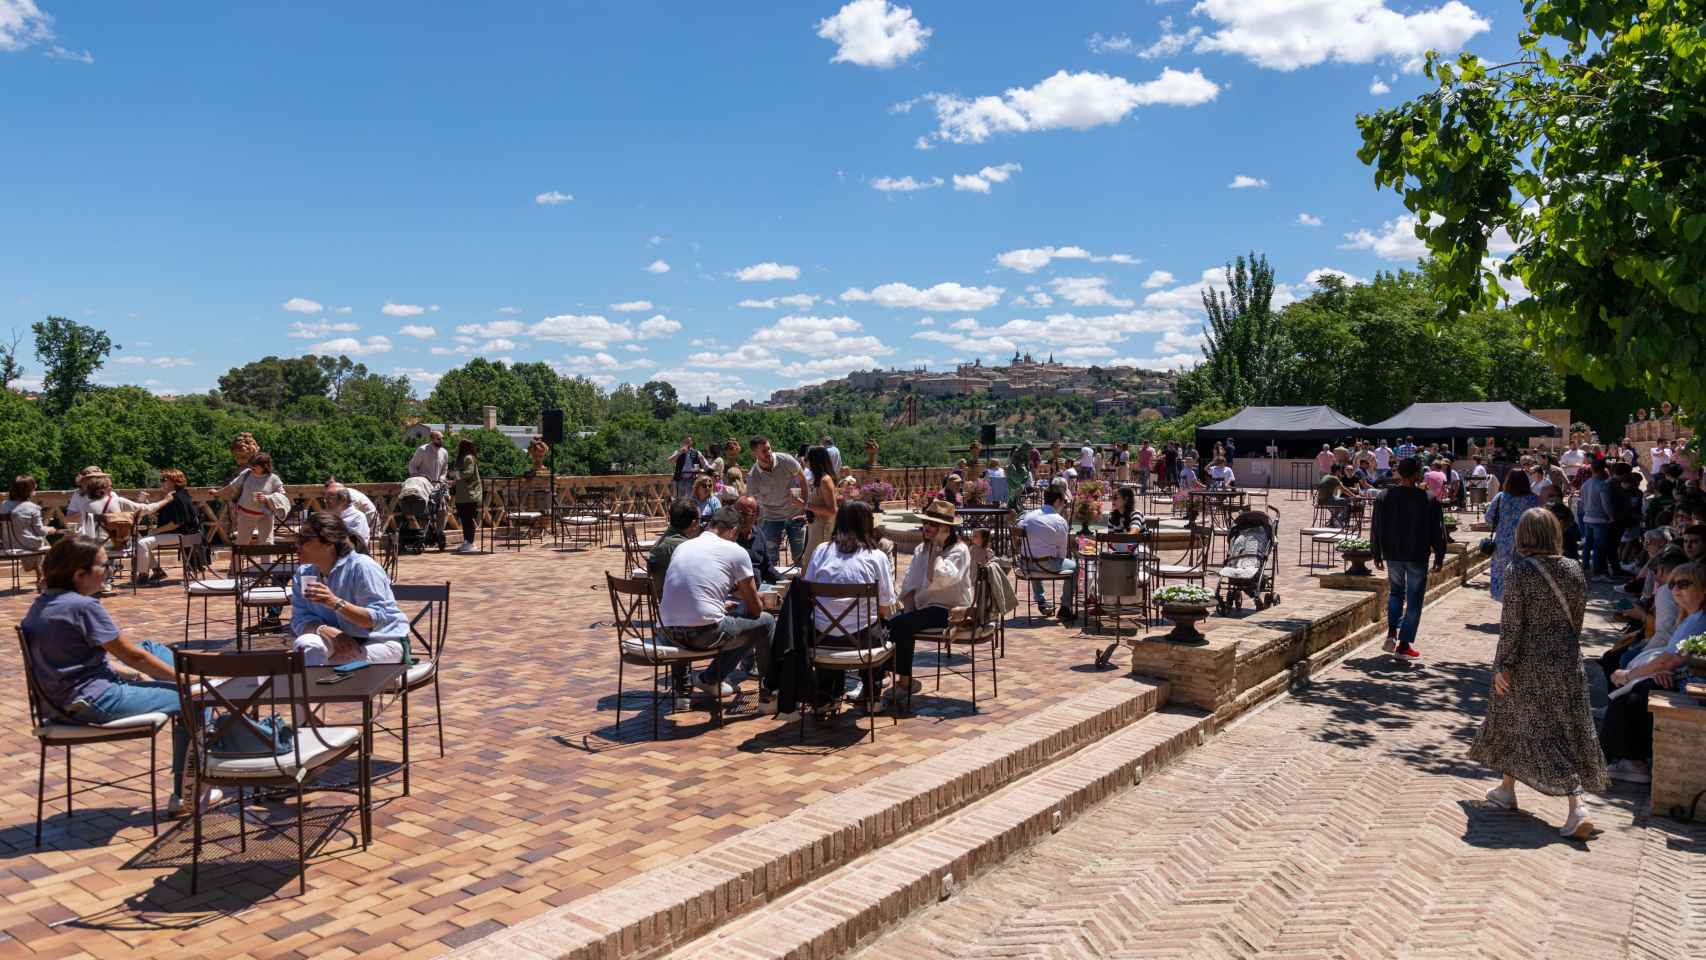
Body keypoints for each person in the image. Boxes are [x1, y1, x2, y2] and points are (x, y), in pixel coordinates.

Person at [20, 536, 218, 814]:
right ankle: (188, 795)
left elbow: (74, 660)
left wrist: (134, 676)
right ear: (79, 573)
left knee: (151, 648)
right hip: (93, 700)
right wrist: (184, 681)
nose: (109, 572)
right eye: (105, 565)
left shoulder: (42, 603)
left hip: (61, 699)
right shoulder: (82, 606)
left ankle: (227, 727)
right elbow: (132, 656)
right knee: (197, 700)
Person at [1468, 508, 1604, 837]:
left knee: (1538, 729)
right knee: (1549, 724)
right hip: (1567, 661)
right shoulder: (1573, 568)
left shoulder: (1520, 571)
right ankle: (1506, 789)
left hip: (1529, 663)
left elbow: (1512, 625)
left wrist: (1504, 665)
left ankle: (1577, 806)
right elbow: (1578, 620)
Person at [1602, 561, 1706, 784]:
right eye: (1672, 585)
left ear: (1703, 589)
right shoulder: (1690, 617)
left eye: (1684, 584)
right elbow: (1672, 660)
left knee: (1631, 697)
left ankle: (1633, 762)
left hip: (1692, 687)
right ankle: (1630, 758)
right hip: (1680, 678)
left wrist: (1629, 675)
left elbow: (1669, 661)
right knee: (1634, 688)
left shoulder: (1699, 619)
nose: (1676, 590)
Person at [658, 507, 775, 699]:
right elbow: (755, 611)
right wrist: (756, 600)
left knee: (688, 617)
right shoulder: (736, 551)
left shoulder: (683, 546)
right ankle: (769, 694)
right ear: (734, 530)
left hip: (666, 632)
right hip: (704, 634)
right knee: (765, 622)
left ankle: (683, 694)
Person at [802, 500, 896, 706]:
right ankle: (872, 691)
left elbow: (806, 591)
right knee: (887, 624)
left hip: (821, 641)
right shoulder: (876, 556)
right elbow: (885, 608)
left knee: (828, 622)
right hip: (862, 643)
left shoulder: (821, 551)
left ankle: (826, 695)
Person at [883, 501, 973, 711]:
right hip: (926, 609)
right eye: (926, 523)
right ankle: (892, 678)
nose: (926, 528)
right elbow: (911, 583)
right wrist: (907, 608)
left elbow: (941, 578)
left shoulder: (959, 551)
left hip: (949, 610)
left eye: (933, 525)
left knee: (901, 625)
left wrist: (937, 549)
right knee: (891, 623)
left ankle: (901, 681)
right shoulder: (922, 549)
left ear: (946, 529)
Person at [289, 511, 408, 666]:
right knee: (307, 646)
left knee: (322, 664)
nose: (298, 543)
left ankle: (309, 686)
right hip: (336, 640)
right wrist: (323, 629)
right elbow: (299, 618)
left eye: (304, 538)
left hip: (379, 641)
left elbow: (376, 619)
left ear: (328, 542)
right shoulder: (304, 574)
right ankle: (309, 685)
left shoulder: (362, 567)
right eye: (298, 537)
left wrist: (335, 603)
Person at [1370, 457, 1446, 659]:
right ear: (1416, 475)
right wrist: (1439, 555)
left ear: (1399, 473)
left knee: (1396, 593)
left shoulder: (1384, 496)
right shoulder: (1428, 499)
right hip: (1417, 554)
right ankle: (1404, 644)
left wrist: (1376, 552)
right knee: (1414, 599)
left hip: (1393, 553)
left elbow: (1376, 526)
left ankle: (1392, 632)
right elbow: (1438, 531)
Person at [748, 435, 807, 568]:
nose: (768, 452)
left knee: (800, 556)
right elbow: (753, 503)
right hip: (771, 517)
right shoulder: (753, 476)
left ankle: (802, 586)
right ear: (754, 453)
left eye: (769, 448)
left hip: (795, 514)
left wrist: (805, 504)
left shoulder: (785, 460)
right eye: (763, 451)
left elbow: (802, 478)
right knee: (769, 558)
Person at [135, 469, 202, 585]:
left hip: (181, 535)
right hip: (187, 535)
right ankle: (157, 570)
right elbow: (162, 514)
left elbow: (176, 523)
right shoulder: (180, 494)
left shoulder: (176, 498)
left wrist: (156, 530)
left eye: (163, 480)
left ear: (173, 482)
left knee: (142, 543)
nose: (161, 483)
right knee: (141, 542)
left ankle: (143, 576)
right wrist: (145, 502)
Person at [1019, 486, 1076, 622]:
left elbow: (1018, 527)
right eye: (1064, 502)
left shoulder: (1029, 515)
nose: (1064, 505)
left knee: (1034, 554)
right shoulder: (1059, 520)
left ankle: (1041, 601)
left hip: (1025, 564)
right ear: (1057, 501)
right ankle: (1065, 607)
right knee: (1075, 567)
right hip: (1044, 565)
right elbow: (1062, 553)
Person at [1485, 468, 1542, 602]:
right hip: (1526, 543)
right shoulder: (1533, 499)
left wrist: (1503, 524)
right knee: (1522, 575)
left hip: (1502, 545)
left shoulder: (1500, 497)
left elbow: (1488, 518)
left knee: (1503, 574)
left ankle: (1506, 605)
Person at [216, 452, 286, 545]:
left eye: (255, 465)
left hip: (265, 515)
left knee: (267, 543)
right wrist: (218, 492)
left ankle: (266, 560)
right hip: (246, 514)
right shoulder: (246, 474)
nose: (252, 467)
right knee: (241, 543)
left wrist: (267, 498)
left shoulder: (273, 479)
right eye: (251, 464)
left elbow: (282, 495)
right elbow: (232, 486)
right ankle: (237, 560)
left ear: (264, 466)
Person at [2, 474, 48, 591]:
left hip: (8, 545)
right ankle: (43, 578)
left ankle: (38, 573)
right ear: (29, 490)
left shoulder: (3, 505)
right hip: (27, 545)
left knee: (36, 543)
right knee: (46, 546)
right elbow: (40, 531)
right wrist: (51, 529)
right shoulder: (33, 507)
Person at [1576, 460, 1616, 581]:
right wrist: (1611, 517)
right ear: (1604, 469)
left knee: (1588, 545)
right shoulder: (1602, 484)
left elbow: (1581, 503)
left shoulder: (1586, 484)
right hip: (1600, 520)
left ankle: (1585, 567)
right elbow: (1606, 503)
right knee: (1599, 547)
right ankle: (1598, 573)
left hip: (1587, 518)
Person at [733, 496, 781, 585]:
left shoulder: (759, 534)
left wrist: (783, 581)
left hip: (759, 588)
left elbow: (767, 567)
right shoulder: (728, 538)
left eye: (745, 513)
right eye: (737, 513)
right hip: (736, 591)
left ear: (756, 516)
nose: (740, 518)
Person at [802, 446, 838, 560]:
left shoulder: (825, 481)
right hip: (816, 527)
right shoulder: (819, 479)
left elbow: (832, 510)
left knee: (813, 561)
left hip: (823, 529)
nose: (806, 461)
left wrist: (805, 505)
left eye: (808, 458)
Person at [451, 438, 482, 553]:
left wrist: (455, 475)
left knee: (468, 519)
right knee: (464, 520)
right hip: (462, 495)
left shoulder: (468, 458)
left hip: (469, 494)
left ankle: (470, 542)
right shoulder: (463, 458)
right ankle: (467, 541)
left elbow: (468, 473)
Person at [667, 436, 708, 502]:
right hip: (680, 479)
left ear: (692, 442)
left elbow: (702, 465)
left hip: (691, 479)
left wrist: (700, 461)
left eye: (689, 441)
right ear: (683, 442)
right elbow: (669, 461)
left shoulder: (695, 452)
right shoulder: (678, 451)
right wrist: (679, 453)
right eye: (686, 442)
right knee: (680, 500)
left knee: (691, 500)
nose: (687, 443)